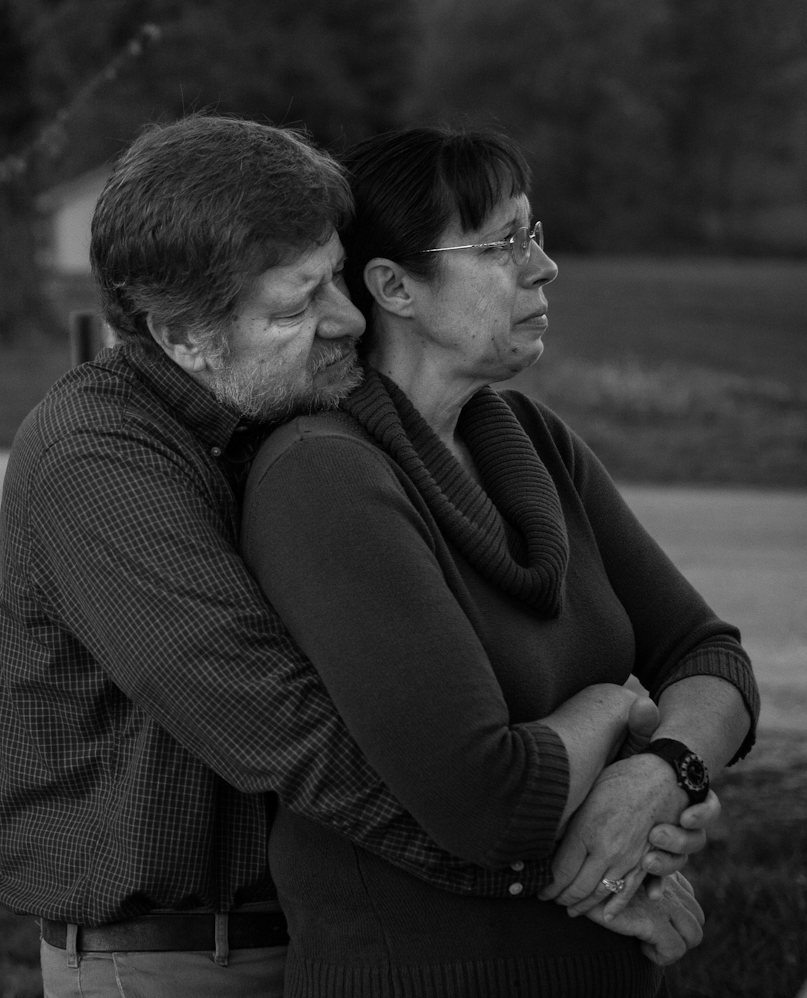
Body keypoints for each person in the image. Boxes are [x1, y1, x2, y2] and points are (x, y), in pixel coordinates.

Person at [0, 115, 716, 998]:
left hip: (290, 932)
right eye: (296, 306)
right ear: (182, 336)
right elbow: (305, 744)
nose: (344, 319)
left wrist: (656, 786)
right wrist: (585, 871)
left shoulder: (279, 410)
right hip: (166, 961)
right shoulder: (99, 460)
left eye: (335, 279)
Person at [240, 126, 759, 997]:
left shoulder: (532, 440)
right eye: (503, 243)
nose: (543, 266)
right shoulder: (324, 476)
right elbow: (488, 800)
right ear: (395, 286)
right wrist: (608, 708)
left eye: (537, 234)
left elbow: (714, 657)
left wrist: (662, 772)